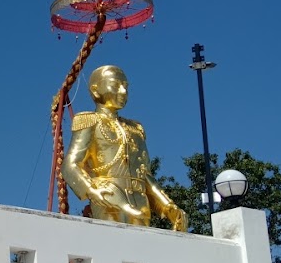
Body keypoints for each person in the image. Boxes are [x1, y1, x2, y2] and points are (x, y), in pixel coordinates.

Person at [62, 65, 188, 230]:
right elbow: (70, 164)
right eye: (115, 86)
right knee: (113, 247)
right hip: (109, 196)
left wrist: (167, 205)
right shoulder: (89, 121)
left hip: (140, 200)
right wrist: (91, 190)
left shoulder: (135, 128)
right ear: (95, 90)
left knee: (141, 251)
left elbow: (145, 175)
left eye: (125, 87)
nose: (123, 91)